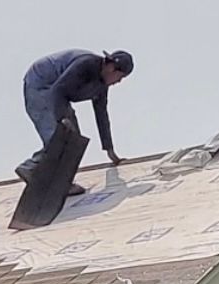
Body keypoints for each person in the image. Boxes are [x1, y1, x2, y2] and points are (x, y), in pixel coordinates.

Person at [16, 49, 134, 195]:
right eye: (120, 77)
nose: (118, 82)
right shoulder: (86, 65)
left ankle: (52, 177)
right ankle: (33, 169)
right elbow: (57, 90)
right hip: (41, 85)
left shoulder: (102, 86)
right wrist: (62, 119)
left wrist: (110, 150)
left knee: (73, 139)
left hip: (57, 95)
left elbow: (102, 115)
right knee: (59, 136)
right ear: (111, 68)